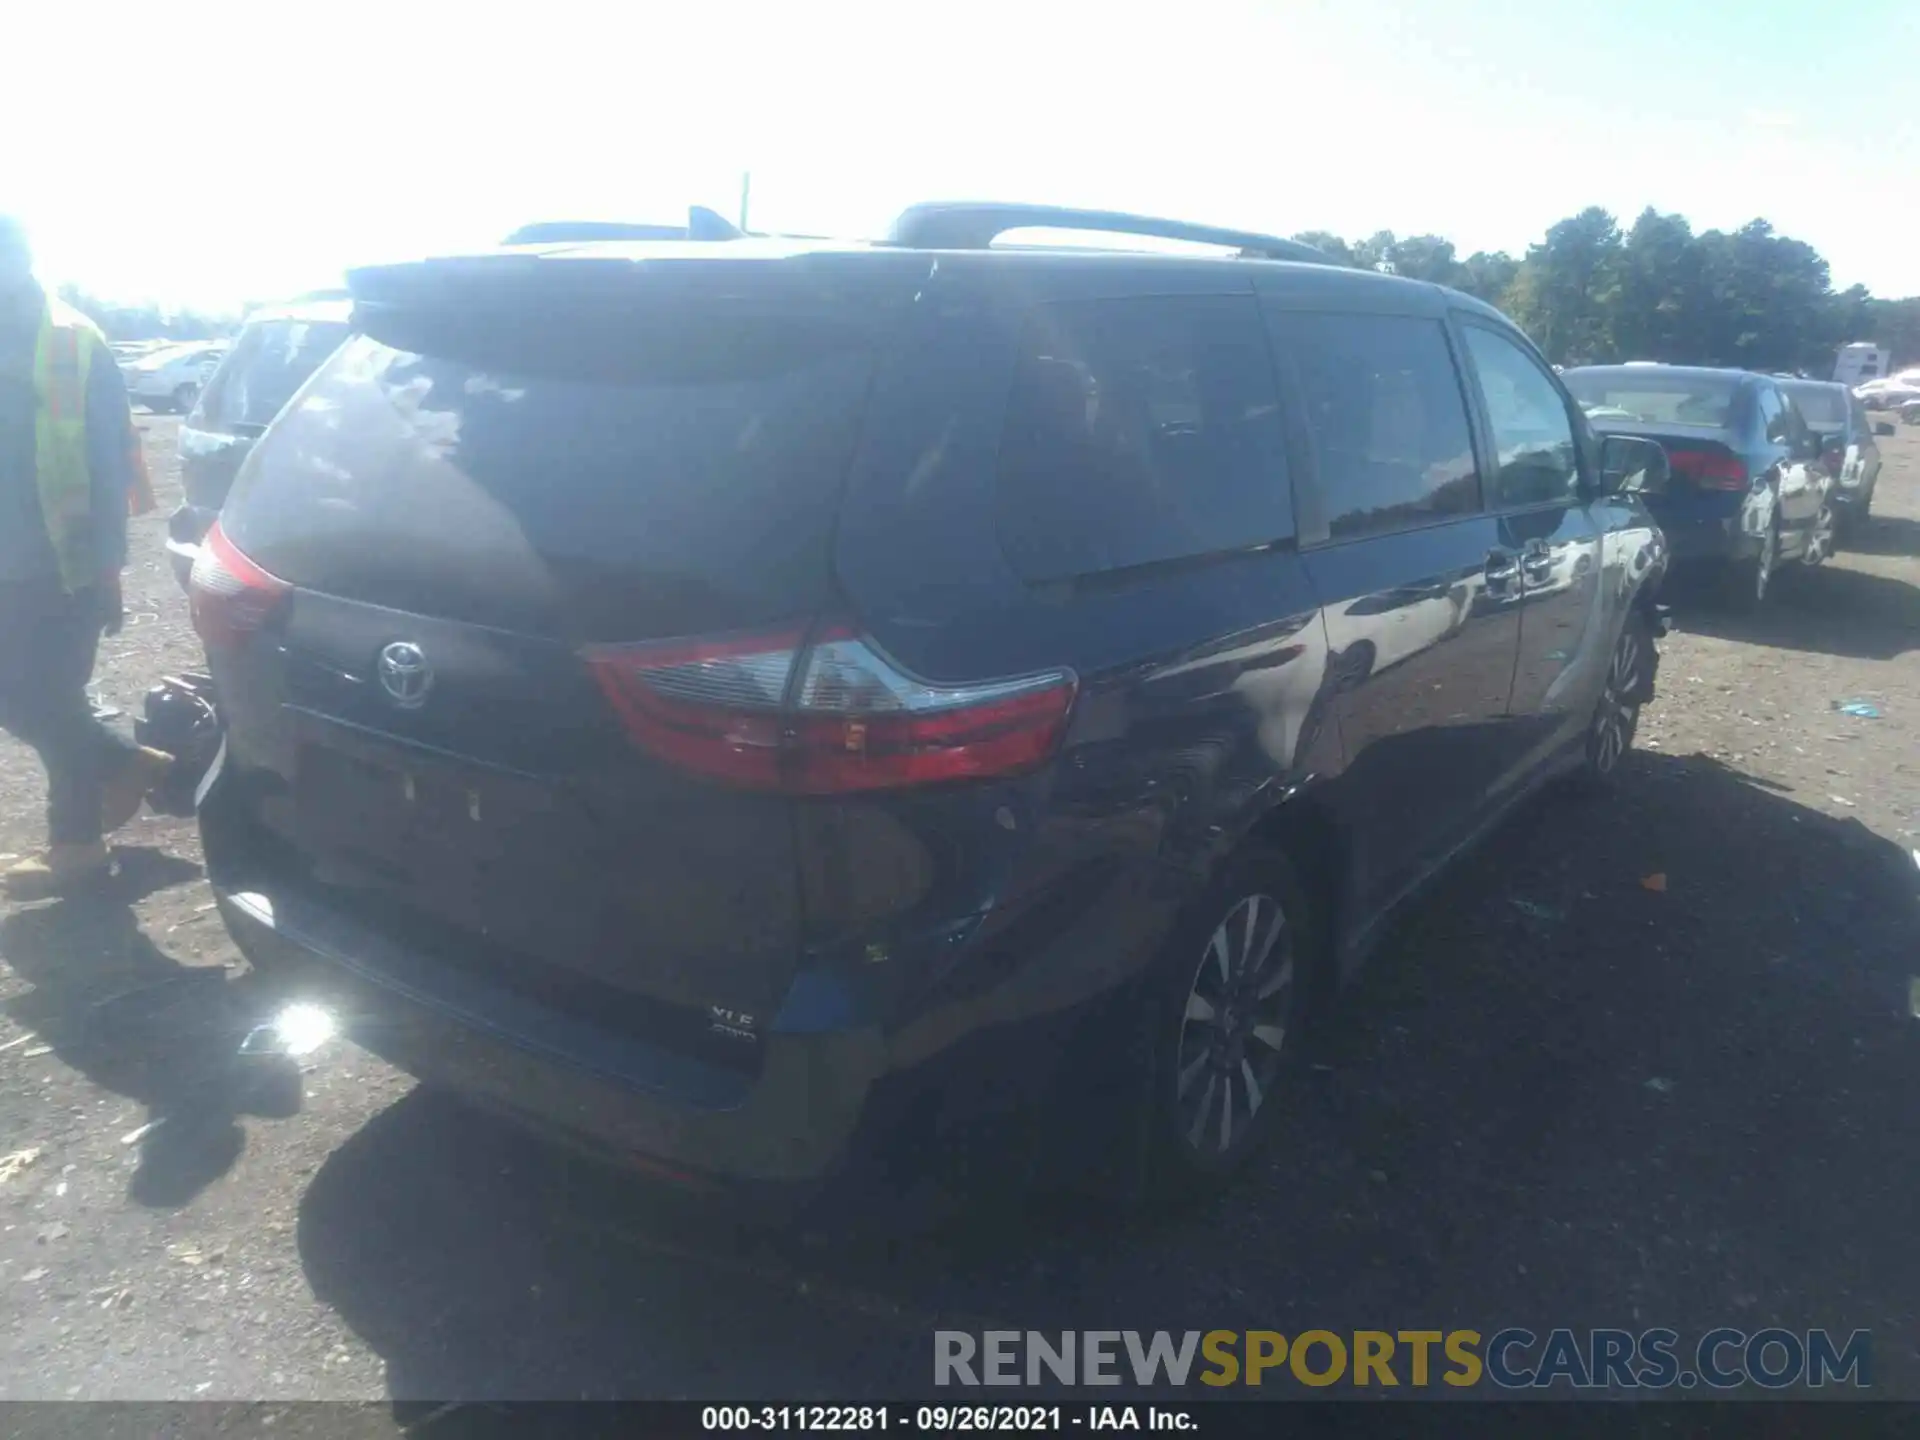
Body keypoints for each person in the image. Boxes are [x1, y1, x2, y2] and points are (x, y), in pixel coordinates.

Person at [0, 214, 171, 899]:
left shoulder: (70, 340)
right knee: (39, 700)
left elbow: (107, 463)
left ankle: (75, 845)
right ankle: (124, 764)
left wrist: (108, 569)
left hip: (56, 566)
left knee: (49, 697)